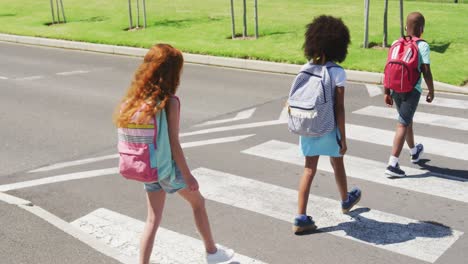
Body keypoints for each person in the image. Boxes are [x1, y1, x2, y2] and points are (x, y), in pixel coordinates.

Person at [113, 44, 234, 264]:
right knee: (198, 203)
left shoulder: (133, 102)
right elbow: (174, 143)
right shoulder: (168, 103)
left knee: (152, 219)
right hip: (167, 169)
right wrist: (187, 175)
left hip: (147, 168)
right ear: (172, 73)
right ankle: (212, 252)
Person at [292, 16, 362, 234]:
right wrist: (343, 136)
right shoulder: (337, 72)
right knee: (337, 162)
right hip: (329, 127)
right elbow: (339, 108)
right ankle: (345, 200)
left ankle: (300, 217)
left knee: (309, 168)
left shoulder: (306, 68)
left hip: (309, 125)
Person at [384, 12, 435, 177]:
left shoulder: (396, 43)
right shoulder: (422, 45)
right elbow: (426, 71)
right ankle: (392, 164)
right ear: (421, 29)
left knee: (406, 120)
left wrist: (387, 91)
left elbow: (388, 68)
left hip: (394, 88)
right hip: (412, 90)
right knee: (402, 125)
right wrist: (431, 90)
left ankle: (414, 152)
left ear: (406, 27)